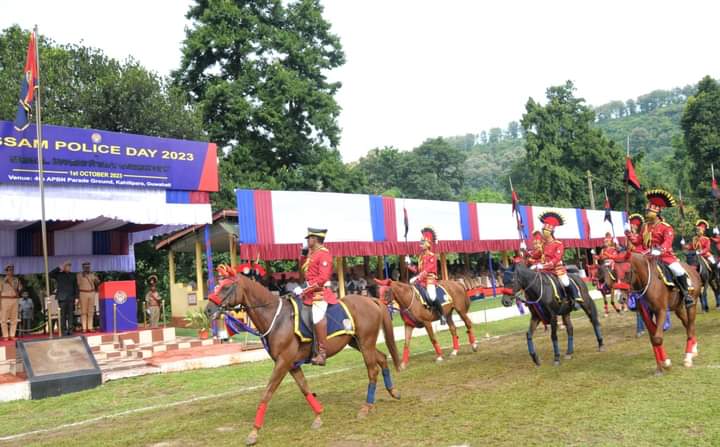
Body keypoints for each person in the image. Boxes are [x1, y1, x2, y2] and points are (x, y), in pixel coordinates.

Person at [642, 189, 694, 308]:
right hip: (649, 256)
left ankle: (687, 295)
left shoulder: (666, 227)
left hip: (665, 257)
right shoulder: (646, 226)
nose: (647, 212)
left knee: (678, 270)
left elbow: (667, 243)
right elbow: (640, 241)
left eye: (649, 210)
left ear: (658, 211)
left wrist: (659, 250)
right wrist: (630, 235)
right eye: (647, 209)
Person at [294, 227, 337, 366]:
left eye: (309, 238)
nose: (307, 241)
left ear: (315, 239)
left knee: (317, 316)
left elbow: (323, 278)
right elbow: (305, 271)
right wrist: (303, 254)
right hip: (309, 294)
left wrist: (304, 288)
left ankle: (322, 353)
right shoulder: (312, 254)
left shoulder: (324, 254)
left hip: (320, 293)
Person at [533, 211, 581, 306]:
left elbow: (556, 259)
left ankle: (575, 298)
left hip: (556, 269)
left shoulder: (558, 244)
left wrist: (545, 265)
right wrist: (526, 253)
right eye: (543, 230)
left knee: (566, 282)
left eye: (545, 231)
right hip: (544, 270)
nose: (543, 233)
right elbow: (536, 255)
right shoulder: (542, 244)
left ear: (551, 232)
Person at [406, 227, 445, 324]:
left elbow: (427, 270)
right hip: (421, 280)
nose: (420, 245)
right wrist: (409, 265)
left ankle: (442, 315)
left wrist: (417, 277)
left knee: (431, 296)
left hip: (430, 280)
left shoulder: (432, 255)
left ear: (427, 244)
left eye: (422, 243)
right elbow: (418, 270)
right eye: (420, 243)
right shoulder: (421, 257)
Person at [50, 260, 79, 336]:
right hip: (62, 298)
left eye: (69, 266)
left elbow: (76, 287)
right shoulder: (59, 274)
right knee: (62, 315)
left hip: (71, 297)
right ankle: (63, 330)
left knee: (70, 315)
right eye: (67, 266)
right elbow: (50, 274)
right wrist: (58, 268)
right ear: (64, 267)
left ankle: (70, 329)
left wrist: (76, 297)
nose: (68, 267)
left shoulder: (73, 275)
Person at [1, 264, 23, 341]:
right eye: (9, 270)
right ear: (6, 271)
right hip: (4, 300)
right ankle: (5, 336)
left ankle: (12, 335)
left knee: (14, 318)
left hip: (14, 299)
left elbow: (20, 289)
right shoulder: (1, 280)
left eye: (12, 270)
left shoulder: (16, 280)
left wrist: (17, 287)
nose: (11, 271)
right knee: (4, 319)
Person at [76, 261, 100, 333]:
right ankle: (84, 327)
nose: (87, 268)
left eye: (88, 267)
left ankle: (90, 327)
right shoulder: (79, 275)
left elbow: (97, 282)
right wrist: (84, 275)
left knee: (91, 311)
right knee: (83, 311)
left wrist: (96, 279)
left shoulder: (93, 274)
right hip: (83, 293)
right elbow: (78, 284)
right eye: (86, 267)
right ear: (83, 268)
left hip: (92, 293)